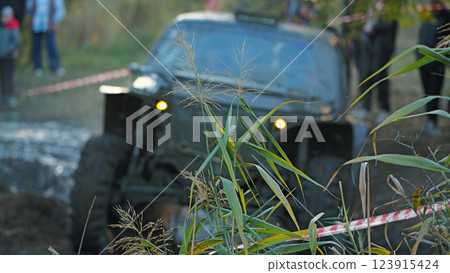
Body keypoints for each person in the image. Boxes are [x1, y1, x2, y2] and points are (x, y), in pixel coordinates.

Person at [353, 2, 397, 124]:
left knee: (380, 77)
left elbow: (391, 23)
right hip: (366, 46)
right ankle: (365, 108)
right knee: (364, 75)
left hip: (381, 47)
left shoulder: (389, 6)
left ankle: (383, 109)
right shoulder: (364, 5)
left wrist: (374, 27)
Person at [417, 1, 450, 136]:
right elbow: (421, 36)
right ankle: (429, 120)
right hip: (423, 61)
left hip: (437, 62)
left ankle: (433, 122)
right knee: (426, 92)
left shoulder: (446, 17)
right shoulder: (427, 15)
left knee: (434, 91)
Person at [26, 0, 65, 77]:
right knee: (36, 47)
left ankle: (55, 67)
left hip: (49, 24)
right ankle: (37, 67)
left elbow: (60, 9)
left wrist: (56, 20)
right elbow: (28, 8)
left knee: (51, 46)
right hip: (36, 24)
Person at [0, 6, 20, 108]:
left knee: (8, 77)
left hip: (9, 57)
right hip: (1, 56)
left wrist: (9, 50)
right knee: (2, 77)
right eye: (2, 16)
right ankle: (3, 97)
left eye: (6, 16)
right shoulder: (1, 27)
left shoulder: (13, 26)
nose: (4, 19)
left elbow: (16, 41)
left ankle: (10, 97)